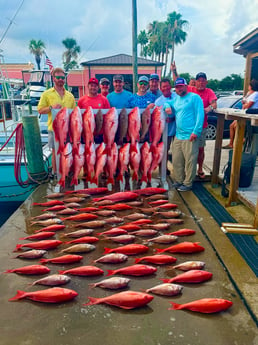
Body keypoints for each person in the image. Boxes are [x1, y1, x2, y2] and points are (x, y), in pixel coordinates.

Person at [171, 62, 217, 178]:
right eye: (199, 80)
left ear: (206, 82)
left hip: (202, 126)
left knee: (200, 149)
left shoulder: (209, 92)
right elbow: (178, 82)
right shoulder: (190, 89)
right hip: (187, 129)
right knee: (188, 152)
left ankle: (200, 169)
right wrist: (174, 71)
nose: (201, 82)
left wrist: (208, 108)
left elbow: (214, 104)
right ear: (195, 82)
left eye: (203, 80)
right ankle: (188, 172)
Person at [164, 77, 204, 191]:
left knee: (190, 161)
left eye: (181, 86)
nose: (179, 89)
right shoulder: (176, 99)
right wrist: (167, 107)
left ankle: (188, 183)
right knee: (177, 160)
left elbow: (200, 115)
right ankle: (179, 180)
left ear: (186, 86)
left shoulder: (194, 98)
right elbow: (167, 103)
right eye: (177, 87)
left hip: (190, 136)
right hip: (178, 135)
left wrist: (196, 132)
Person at [38, 67, 76, 175]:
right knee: (55, 152)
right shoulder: (46, 94)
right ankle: (56, 174)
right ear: (53, 78)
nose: (60, 80)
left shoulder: (70, 95)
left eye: (62, 78)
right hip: (54, 129)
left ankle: (68, 172)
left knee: (68, 151)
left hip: (68, 129)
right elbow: (40, 110)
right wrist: (51, 108)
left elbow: (74, 112)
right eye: (58, 77)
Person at [223, 79, 258, 149]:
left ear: (251, 86)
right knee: (231, 126)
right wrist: (245, 101)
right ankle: (231, 143)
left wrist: (245, 104)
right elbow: (244, 102)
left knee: (237, 126)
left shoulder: (256, 94)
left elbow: (248, 105)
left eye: (249, 85)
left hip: (250, 115)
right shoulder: (249, 93)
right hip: (244, 113)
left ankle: (241, 140)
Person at [155, 78, 176, 175]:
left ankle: (179, 171)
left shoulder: (177, 96)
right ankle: (163, 169)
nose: (166, 88)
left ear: (170, 86)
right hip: (165, 131)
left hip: (178, 130)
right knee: (164, 151)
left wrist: (173, 118)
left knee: (178, 152)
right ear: (160, 88)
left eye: (167, 86)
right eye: (164, 86)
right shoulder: (158, 102)